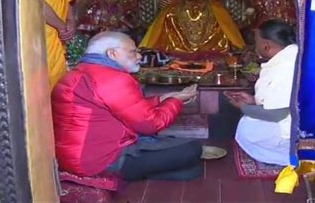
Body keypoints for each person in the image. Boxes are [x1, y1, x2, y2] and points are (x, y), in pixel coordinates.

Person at [51, 31, 203, 181]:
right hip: (98, 163)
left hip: (75, 158)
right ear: (112, 54)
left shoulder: (83, 71)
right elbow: (151, 124)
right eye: (133, 52)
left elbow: (125, 108)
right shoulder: (112, 79)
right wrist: (176, 101)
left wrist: (162, 99)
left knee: (189, 167)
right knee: (192, 149)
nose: (139, 56)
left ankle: (151, 173)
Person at [224, 19, 298, 166]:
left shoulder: (286, 67)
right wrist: (253, 100)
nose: (254, 46)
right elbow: (281, 99)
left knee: (247, 129)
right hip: (291, 119)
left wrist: (244, 107)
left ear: (266, 46)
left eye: (256, 42)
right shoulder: (285, 59)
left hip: (295, 127)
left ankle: (293, 158)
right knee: (250, 121)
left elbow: (277, 114)